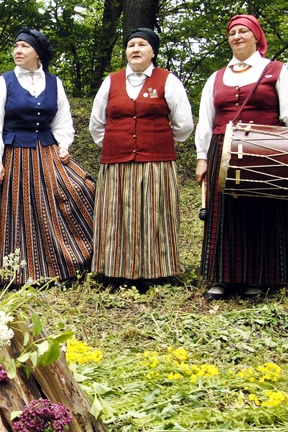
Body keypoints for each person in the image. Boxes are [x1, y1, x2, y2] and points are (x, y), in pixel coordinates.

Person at [195, 15, 288, 300]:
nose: (237, 36)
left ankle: (258, 278)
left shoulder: (276, 71)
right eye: (232, 32)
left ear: (257, 37)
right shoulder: (216, 77)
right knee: (224, 215)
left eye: (244, 31)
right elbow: (206, 121)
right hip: (223, 149)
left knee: (260, 211)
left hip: (265, 151)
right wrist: (202, 157)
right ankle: (223, 277)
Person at [0, 28, 96, 285]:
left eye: (24, 47)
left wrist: (64, 144)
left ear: (38, 54)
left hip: (45, 153)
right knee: (15, 212)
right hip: (14, 156)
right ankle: (12, 273)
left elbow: (62, 120)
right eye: (15, 46)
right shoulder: (5, 82)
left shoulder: (54, 83)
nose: (17, 51)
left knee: (63, 200)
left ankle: (56, 267)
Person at [89, 28, 194, 291]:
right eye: (130, 45)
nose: (135, 49)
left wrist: (155, 141)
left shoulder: (168, 81)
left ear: (153, 51)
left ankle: (153, 271)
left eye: (142, 45)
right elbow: (97, 124)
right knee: (115, 215)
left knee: (153, 214)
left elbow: (183, 125)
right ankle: (114, 271)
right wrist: (117, 142)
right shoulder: (110, 82)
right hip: (116, 161)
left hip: (155, 162)